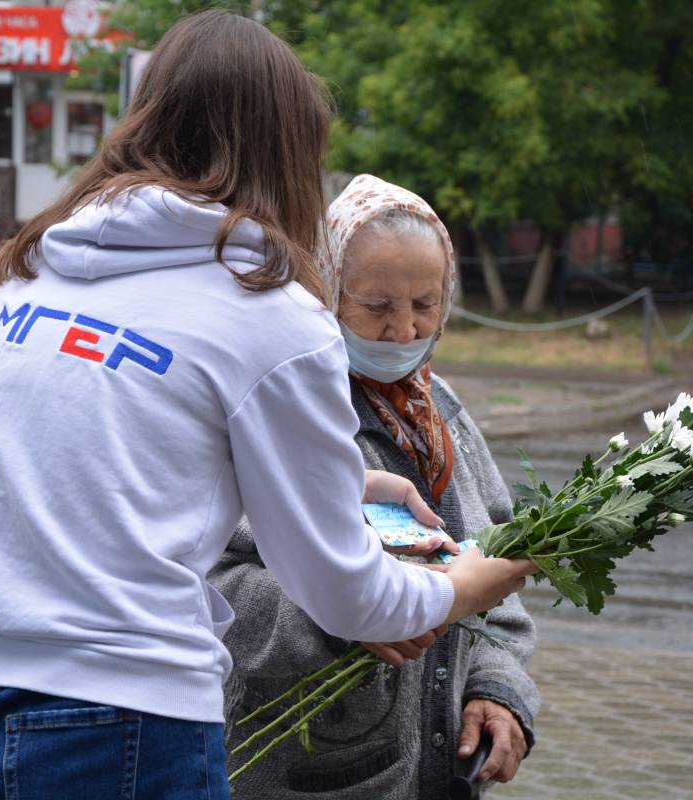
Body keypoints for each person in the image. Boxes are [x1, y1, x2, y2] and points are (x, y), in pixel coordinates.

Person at [0, 12, 533, 800]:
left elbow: (115, 465)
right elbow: (348, 593)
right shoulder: (272, 317)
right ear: (286, 149)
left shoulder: (35, 270)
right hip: (114, 730)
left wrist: (345, 481)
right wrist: (467, 587)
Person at [213, 175, 539, 799]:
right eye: (378, 306)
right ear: (328, 292)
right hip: (314, 778)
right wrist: (346, 611)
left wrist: (497, 690)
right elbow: (217, 589)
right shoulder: (285, 409)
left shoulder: (444, 415)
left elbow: (497, 572)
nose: (405, 331)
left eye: (425, 304)